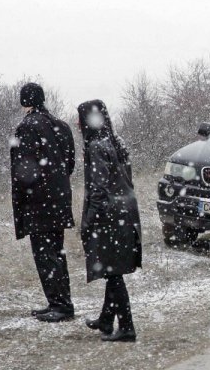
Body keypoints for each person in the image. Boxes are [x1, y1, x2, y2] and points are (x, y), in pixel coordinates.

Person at [11, 82, 76, 322]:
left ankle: (60, 305)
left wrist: (23, 198)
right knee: (56, 252)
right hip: (59, 199)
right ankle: (60, 302)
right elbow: (70, 164)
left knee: (45, 254)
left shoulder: (26, 127)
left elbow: (23, 170)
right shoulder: (61, 126)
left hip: (38, 202)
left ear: (24, 102)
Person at [78, 99, 142, 342]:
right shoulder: (116, 141)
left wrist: (89, 221)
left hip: (111, 216)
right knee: (113, 269)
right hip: (126, 212)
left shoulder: (96, 146)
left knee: (113, 273)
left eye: (80, 119)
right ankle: (106, 319)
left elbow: (99, 189)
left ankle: (126, 327)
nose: (78, 124)